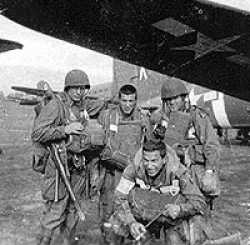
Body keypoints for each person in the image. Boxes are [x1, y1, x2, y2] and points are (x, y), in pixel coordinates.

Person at [31, 69, 106, 245]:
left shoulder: (83, 105)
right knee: (56, 209)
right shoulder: (56, 105)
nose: (79, 92)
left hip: (78, 165)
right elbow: (38, 133)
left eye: (83, 88)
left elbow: (101, 105)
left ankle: (67, 241)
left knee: (74, 209)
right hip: (58, 166)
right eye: (75, 88)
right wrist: (65, 130)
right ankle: (43, 242)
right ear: (67, 88)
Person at [110, 138, 207, 245]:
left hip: (169, 219)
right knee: (115, 222)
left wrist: (180, 209)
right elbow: (119, 197)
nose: (149, 166)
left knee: (183, 235)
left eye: (154, 161)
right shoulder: (133, 169)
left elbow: (199, 202)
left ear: (164, 159)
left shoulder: (179, 172)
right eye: (146, 160)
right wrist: (131, 222)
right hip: (142, 215)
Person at [150, 77, 221, 208]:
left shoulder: (197, 116)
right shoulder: (161, 119)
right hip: (172, 173)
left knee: (198, 210)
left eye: (175, 98)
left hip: (194, 171)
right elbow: (152, 146)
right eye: (168, 99)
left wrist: (209, 172)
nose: (171, 102)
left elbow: (211, 145)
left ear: (184, 98)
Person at [98, 84, 150, 244]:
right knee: (109, 217)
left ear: (136, 101)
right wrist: (128, 163)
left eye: (131, 101)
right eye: (124, 100)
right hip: (111, 176)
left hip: (133, 179)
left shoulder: (143, 118)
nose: (128, 104)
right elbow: (103, 150)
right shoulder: (107, 116)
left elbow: (149, 147)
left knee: (134, 215)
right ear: (118, 100)